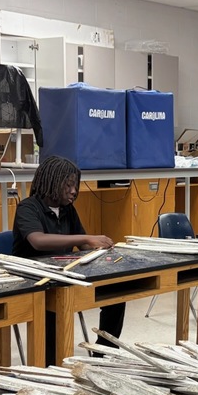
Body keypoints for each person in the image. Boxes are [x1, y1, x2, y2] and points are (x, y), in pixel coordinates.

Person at [12, 155, 125, 363]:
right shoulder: (28, 208)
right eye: (68, 185)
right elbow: (38, 241)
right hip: (36, 281)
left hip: (64, 275)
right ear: (52, 182)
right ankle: (50, 366)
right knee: (53, 312)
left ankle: (104, 355)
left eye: (76, 186)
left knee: (116, 294)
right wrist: (87, 237)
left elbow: (83, 245)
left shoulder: (67, 210)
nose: (74, 191)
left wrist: (101, 248)